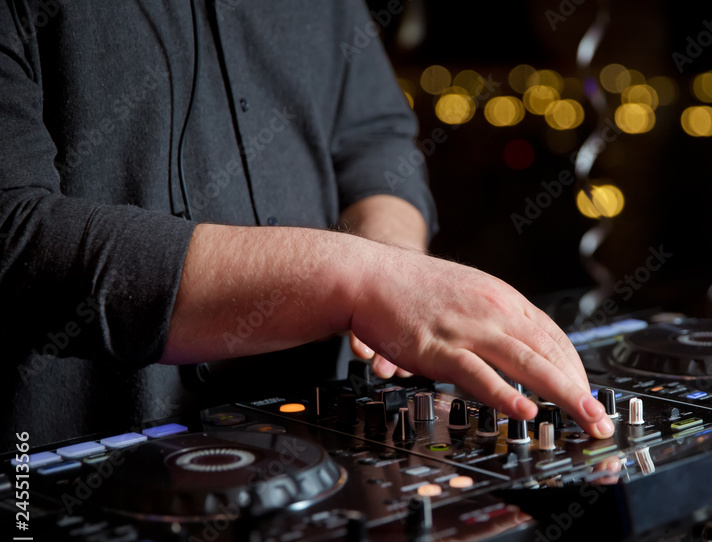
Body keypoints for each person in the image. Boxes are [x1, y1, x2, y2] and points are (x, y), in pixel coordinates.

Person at [0, 0, 615, 446]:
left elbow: (374, 139)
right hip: (58, 489)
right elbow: (17, 236)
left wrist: (392, 260)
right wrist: (364, 281)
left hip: (316, 456)